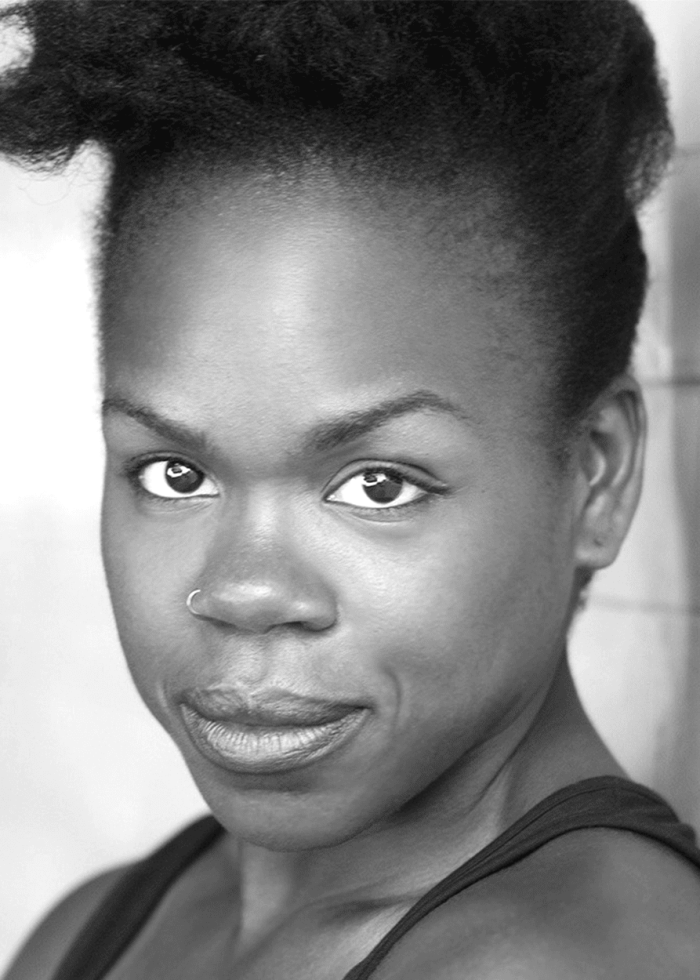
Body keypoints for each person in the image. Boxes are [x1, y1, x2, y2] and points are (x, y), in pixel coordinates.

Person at [2, 1, 699, 978]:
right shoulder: (86, 932)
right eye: (174, 471)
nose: (244, 590)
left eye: (377, 484)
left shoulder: (575, 958)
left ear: (598, 473)